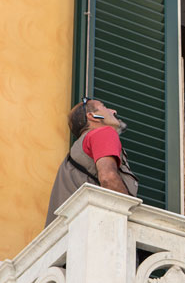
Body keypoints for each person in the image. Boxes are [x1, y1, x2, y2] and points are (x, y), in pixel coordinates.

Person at [45, 97, 139, 226]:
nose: (114, 111)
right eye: (105, 107)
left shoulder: (73, 156)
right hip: (96, 229)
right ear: (92, 116)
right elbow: (108, 178)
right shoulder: (103, 132)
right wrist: (132, 221)